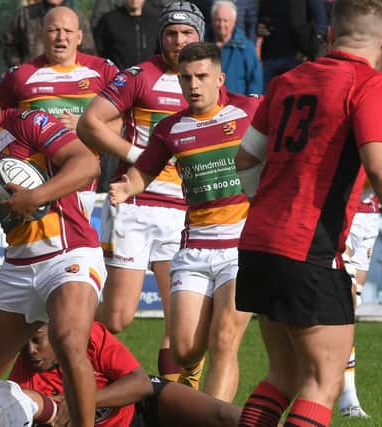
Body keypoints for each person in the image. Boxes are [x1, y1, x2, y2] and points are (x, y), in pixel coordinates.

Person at [233, 0, 382, 425]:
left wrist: (266, 205)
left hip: (259, 241)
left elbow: (245, 160)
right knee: (323, 381)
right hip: (308, 248)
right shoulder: (368, 85)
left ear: (331, 36)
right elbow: (377, 166)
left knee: (282, 375)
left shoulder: (285, 81)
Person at [0, 65, 103, 427]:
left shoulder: (28, 123)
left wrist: (37, 196)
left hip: (69, 253)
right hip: (19, 269)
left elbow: (86, 163)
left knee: (69, 341)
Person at [109, 42, 258, 402]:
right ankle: (193, 378)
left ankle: (210, 418)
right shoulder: (171, 128)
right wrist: (127, 187)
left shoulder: (251, 110)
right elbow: (143, 171)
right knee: (185, 350)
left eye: (202, 76)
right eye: (187, 77)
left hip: (242, 246)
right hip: (194, 249)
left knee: (225, 341)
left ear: (220, 78)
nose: (194, 84)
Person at [77, 1, 204, 385]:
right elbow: (90, 124)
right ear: (160, 36)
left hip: (183, 211)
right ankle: (56, 339)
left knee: (181, 318)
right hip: (134, 205)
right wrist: (141, 157)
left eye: (186, 33)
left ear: (199, 36)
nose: (178, 40)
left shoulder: (208, 79)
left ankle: (178, 401)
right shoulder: (140, 75)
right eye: (171, 33)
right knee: (116, 317)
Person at [0, 6, 120, 216]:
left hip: (83, 184)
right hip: (32, 183)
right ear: (41, 35)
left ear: (79, 37)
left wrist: (86, 128)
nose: (61, 37)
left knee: (80, 244)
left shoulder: (104, 71)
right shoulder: (18, 76)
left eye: (68, 31)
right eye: (53, 30)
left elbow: (123, 124)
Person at [10, 322, 242, 426]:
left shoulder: (88, 335)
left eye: (37, 339)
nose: (30, 350)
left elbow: (141, 384)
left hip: (143, 404)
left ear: (56, 331)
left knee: (224, 415)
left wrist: (79, 402)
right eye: (22, 341)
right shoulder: (22, 380)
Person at [338, 183, 380, 418]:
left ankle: (344, 394)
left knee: (350, 309)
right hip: (347, 213)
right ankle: (348, 399)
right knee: (346, 300)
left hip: (370, 216)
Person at [3, 0, 96, 67]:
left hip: (68, 80)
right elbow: (10, 46)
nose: (61, 37)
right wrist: (21, 69)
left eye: (67, 30)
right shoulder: (25, 14)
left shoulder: (76, 16)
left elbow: (88, 51)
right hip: (32, 80)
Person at [257, 0, 319, 87]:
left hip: (295, 56)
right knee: (268, 97)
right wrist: (260, 27)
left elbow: (319, 21)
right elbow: (260, 18)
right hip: (271, 55)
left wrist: (307, 49)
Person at [211, 0, 262, 95]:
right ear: (212, 20)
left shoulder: (247, 48)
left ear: (234, 22)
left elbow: (255, 83)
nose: (221, 25)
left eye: (225, 20)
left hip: (237, 106)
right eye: (218, 20)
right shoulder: (203, 45)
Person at [93, 0, 161, 70]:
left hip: (149, 76)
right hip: (118, 76)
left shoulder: (155, 21)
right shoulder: (109, 20)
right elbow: (99, 49)